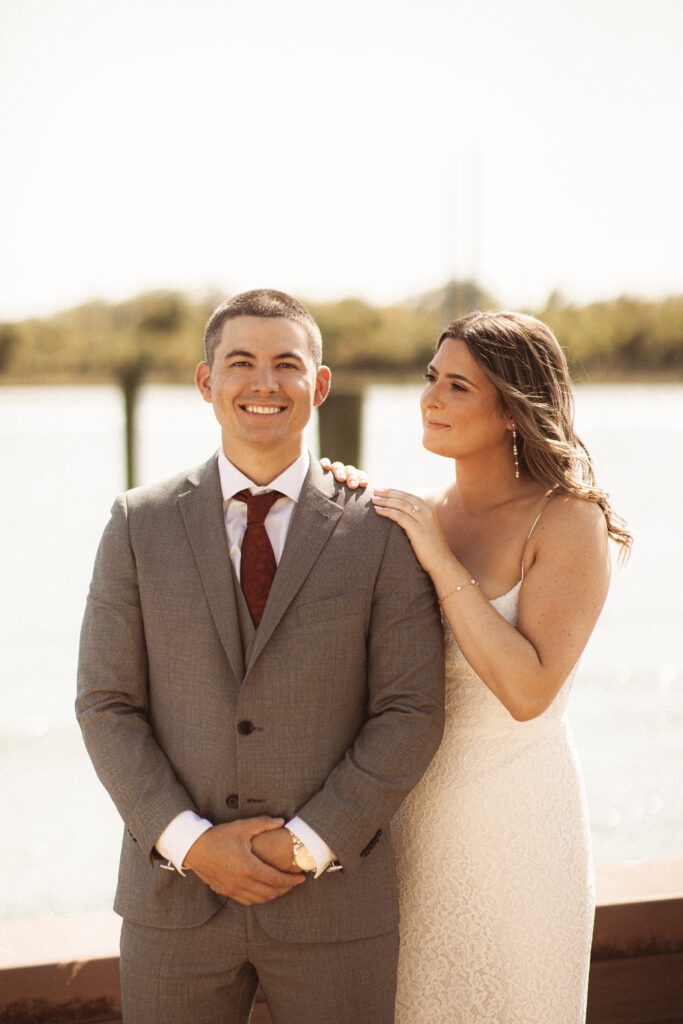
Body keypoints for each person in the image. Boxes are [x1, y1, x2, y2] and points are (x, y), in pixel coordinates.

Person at [76, 289, 445, 1024]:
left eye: (286, 364)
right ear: (207, 381)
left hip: (335, 905)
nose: (264, 384)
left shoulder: (383, 530)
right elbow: (105, 704)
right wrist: (191, 844)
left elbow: (409, 712)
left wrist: (305, 845)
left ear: (320, 383)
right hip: (173, 902)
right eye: (240, 363)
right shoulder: (135, 523)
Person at [327, 310, 632, 1023]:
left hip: (517, 823)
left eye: (457, 386)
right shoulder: (410, 511)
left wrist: (436, 558)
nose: (429, 399)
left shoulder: (566, 520)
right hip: (411, 826)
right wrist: (335, 500)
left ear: (510, 410)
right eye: (430, 378)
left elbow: (527, 690)